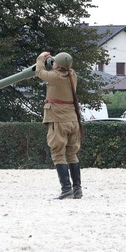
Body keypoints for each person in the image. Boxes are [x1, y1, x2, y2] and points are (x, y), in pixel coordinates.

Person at [35, 52, 83, 200]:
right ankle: (77, 190)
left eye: (55, 62)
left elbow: (39, 71)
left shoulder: (55, 77)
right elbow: (62, 68)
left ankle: (66, 189)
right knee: (71, 154)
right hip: (73, 120)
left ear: (59, 65)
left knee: (58, 153)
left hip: (59, 119)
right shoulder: (72, 75)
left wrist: (41, 58)